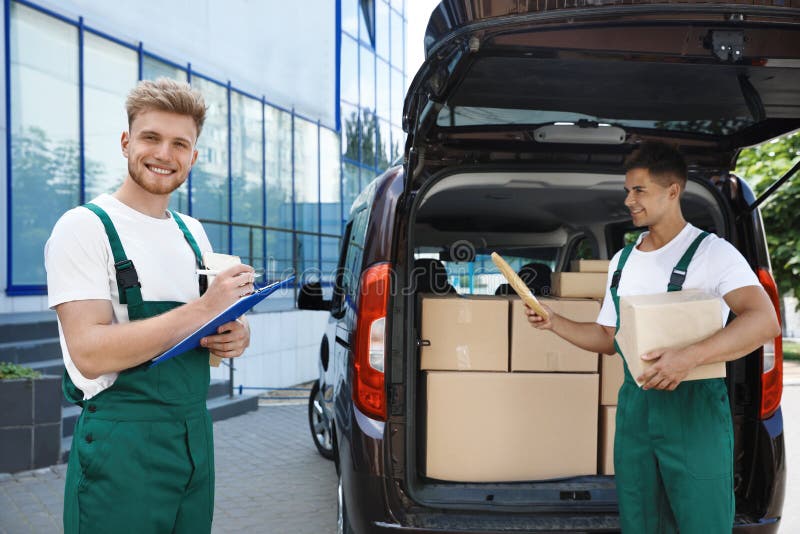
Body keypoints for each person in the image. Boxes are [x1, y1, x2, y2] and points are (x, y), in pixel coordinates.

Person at [525, 141, 780, 532]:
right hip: (637, 414)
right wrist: (554, 321)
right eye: (627, 190)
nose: (629, 200)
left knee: (703, 523)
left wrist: (688, 357)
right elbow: (609, 337)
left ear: (672, 191)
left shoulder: (713, 253)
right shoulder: (623, 262)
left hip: (696, 415)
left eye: (639, 190)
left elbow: (764, 321)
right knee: (641, 522)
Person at [45, 78, 254, 533]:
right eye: (151, 138)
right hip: (123, 448)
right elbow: (90, 351)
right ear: (126, 143)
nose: (164, 154)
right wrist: (203, 310)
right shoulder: (83, 228)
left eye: (180, 143)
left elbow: (202, 332)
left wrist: (231, 336)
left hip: (194, 435)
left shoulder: (191, 232)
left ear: (193, 157)